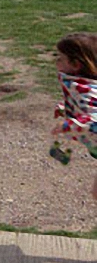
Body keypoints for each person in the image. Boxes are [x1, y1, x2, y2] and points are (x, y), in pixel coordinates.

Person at [50, 33, 97, 199]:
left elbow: (95, 117)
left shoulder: (87, 91)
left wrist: (68, 125)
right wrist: (65, 108)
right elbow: (85, 106)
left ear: (76, 64)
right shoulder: (81, 85)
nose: (57, 62)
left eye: (61, 58)